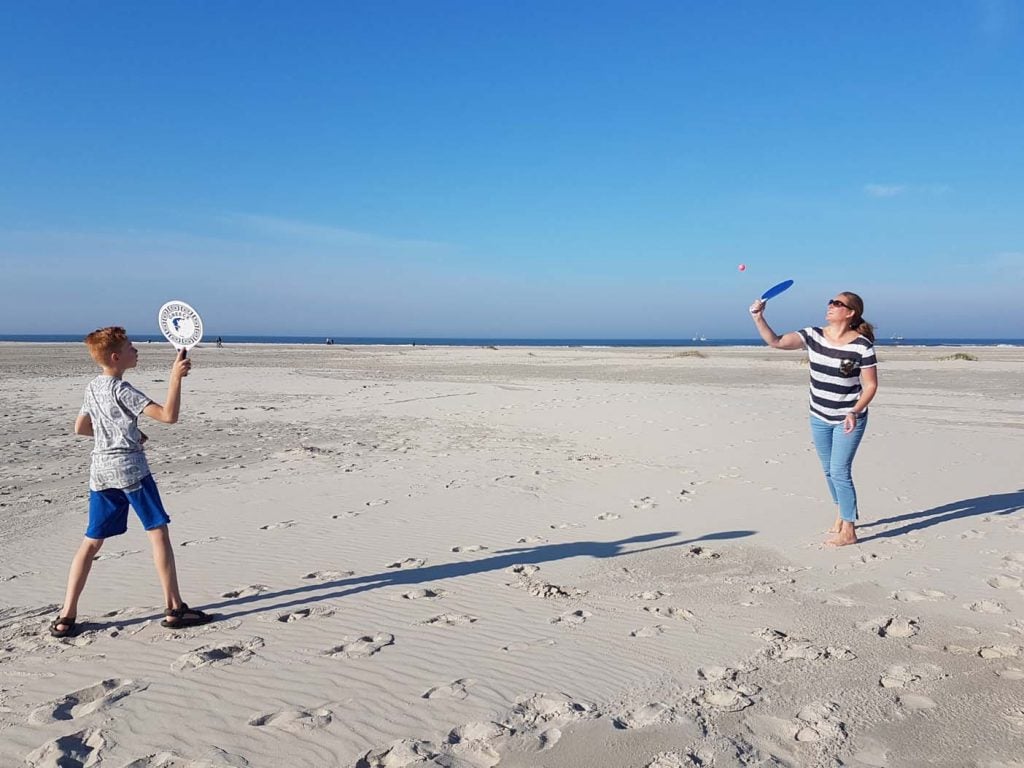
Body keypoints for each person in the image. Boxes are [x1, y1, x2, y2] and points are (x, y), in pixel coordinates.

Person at [50, 327, 213, 637]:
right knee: (157, 533)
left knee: (92, 541)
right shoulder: (122, 390)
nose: (135, 350)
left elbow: (81, 427)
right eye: (130, 347)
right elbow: (168, 416)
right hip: (131, 470)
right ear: (115, 357)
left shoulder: (92, 388)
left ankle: (66, 616)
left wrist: (127, 433)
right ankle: (174, 607)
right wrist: (175, 377)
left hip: (100, 471)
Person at [749, 292, 878, 546]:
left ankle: (849, 530)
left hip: (848, 418)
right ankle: (841, 515)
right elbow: (775, 341)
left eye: (838, 304)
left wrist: (854, 411)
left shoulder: (862, 345)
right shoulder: (812, 335)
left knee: (840, 471)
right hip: (819, 415)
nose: (830, 306)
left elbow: (871, 386)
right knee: (828, 470)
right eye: (830, 302)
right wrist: (758, 317)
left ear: (850, 313)